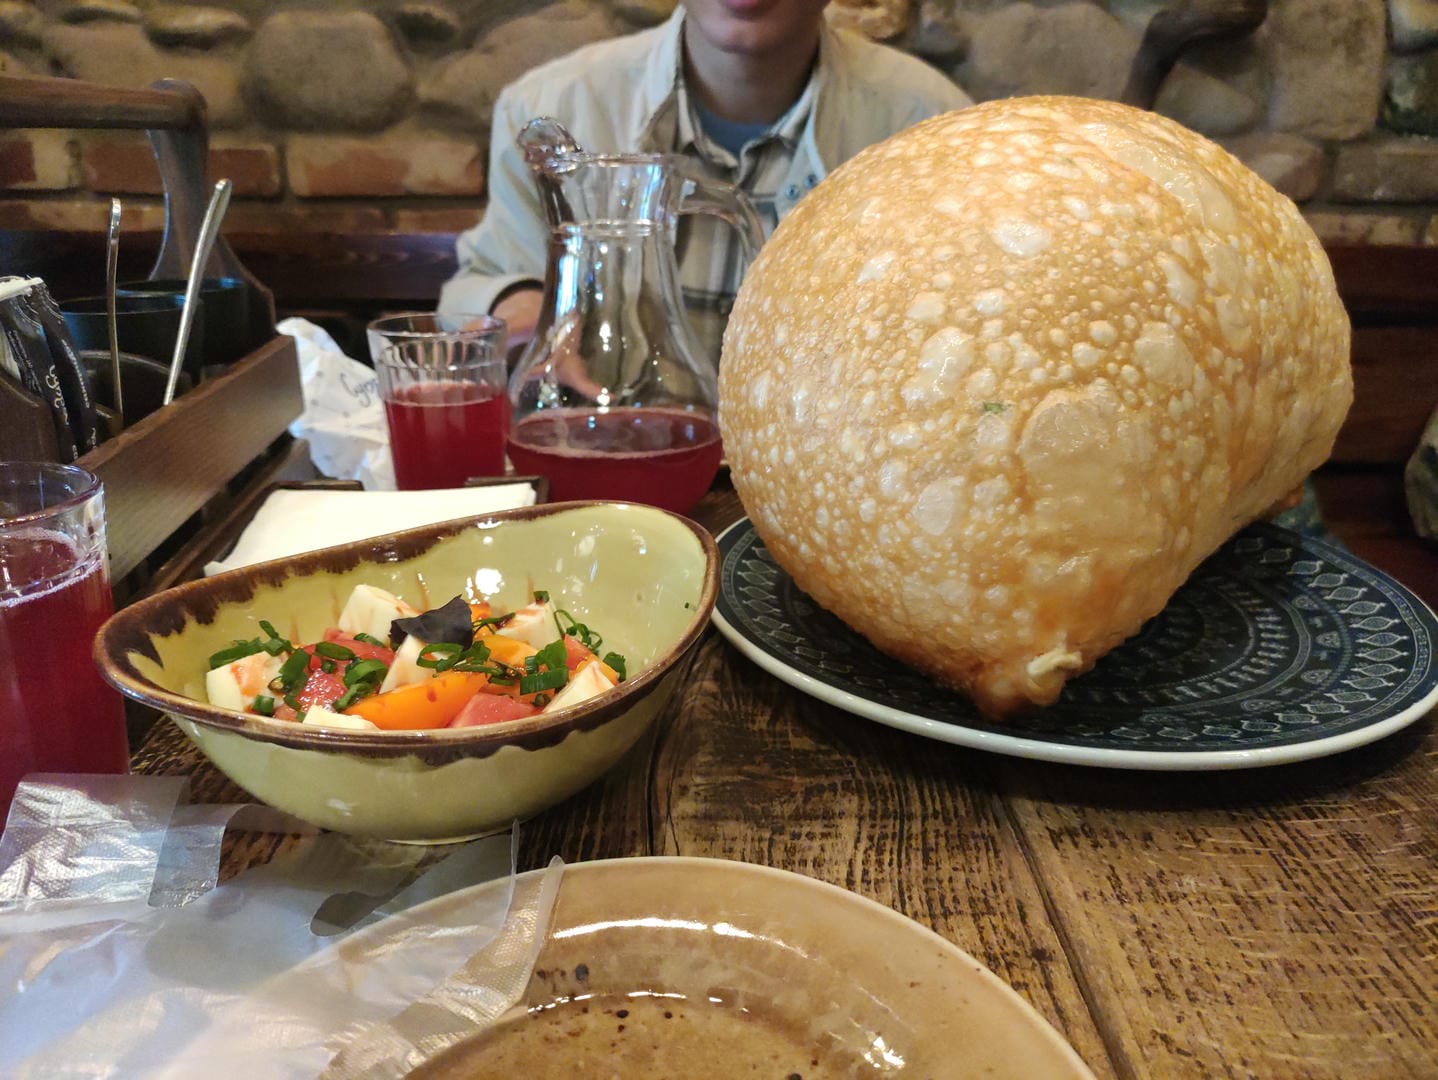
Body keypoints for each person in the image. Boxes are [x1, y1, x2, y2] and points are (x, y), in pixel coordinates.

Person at [438, 0, 973, 364]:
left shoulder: (934, 126)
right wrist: (523, 310)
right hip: (618, 474)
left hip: (836, 482)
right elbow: (486, 279)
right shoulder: (550, 106)